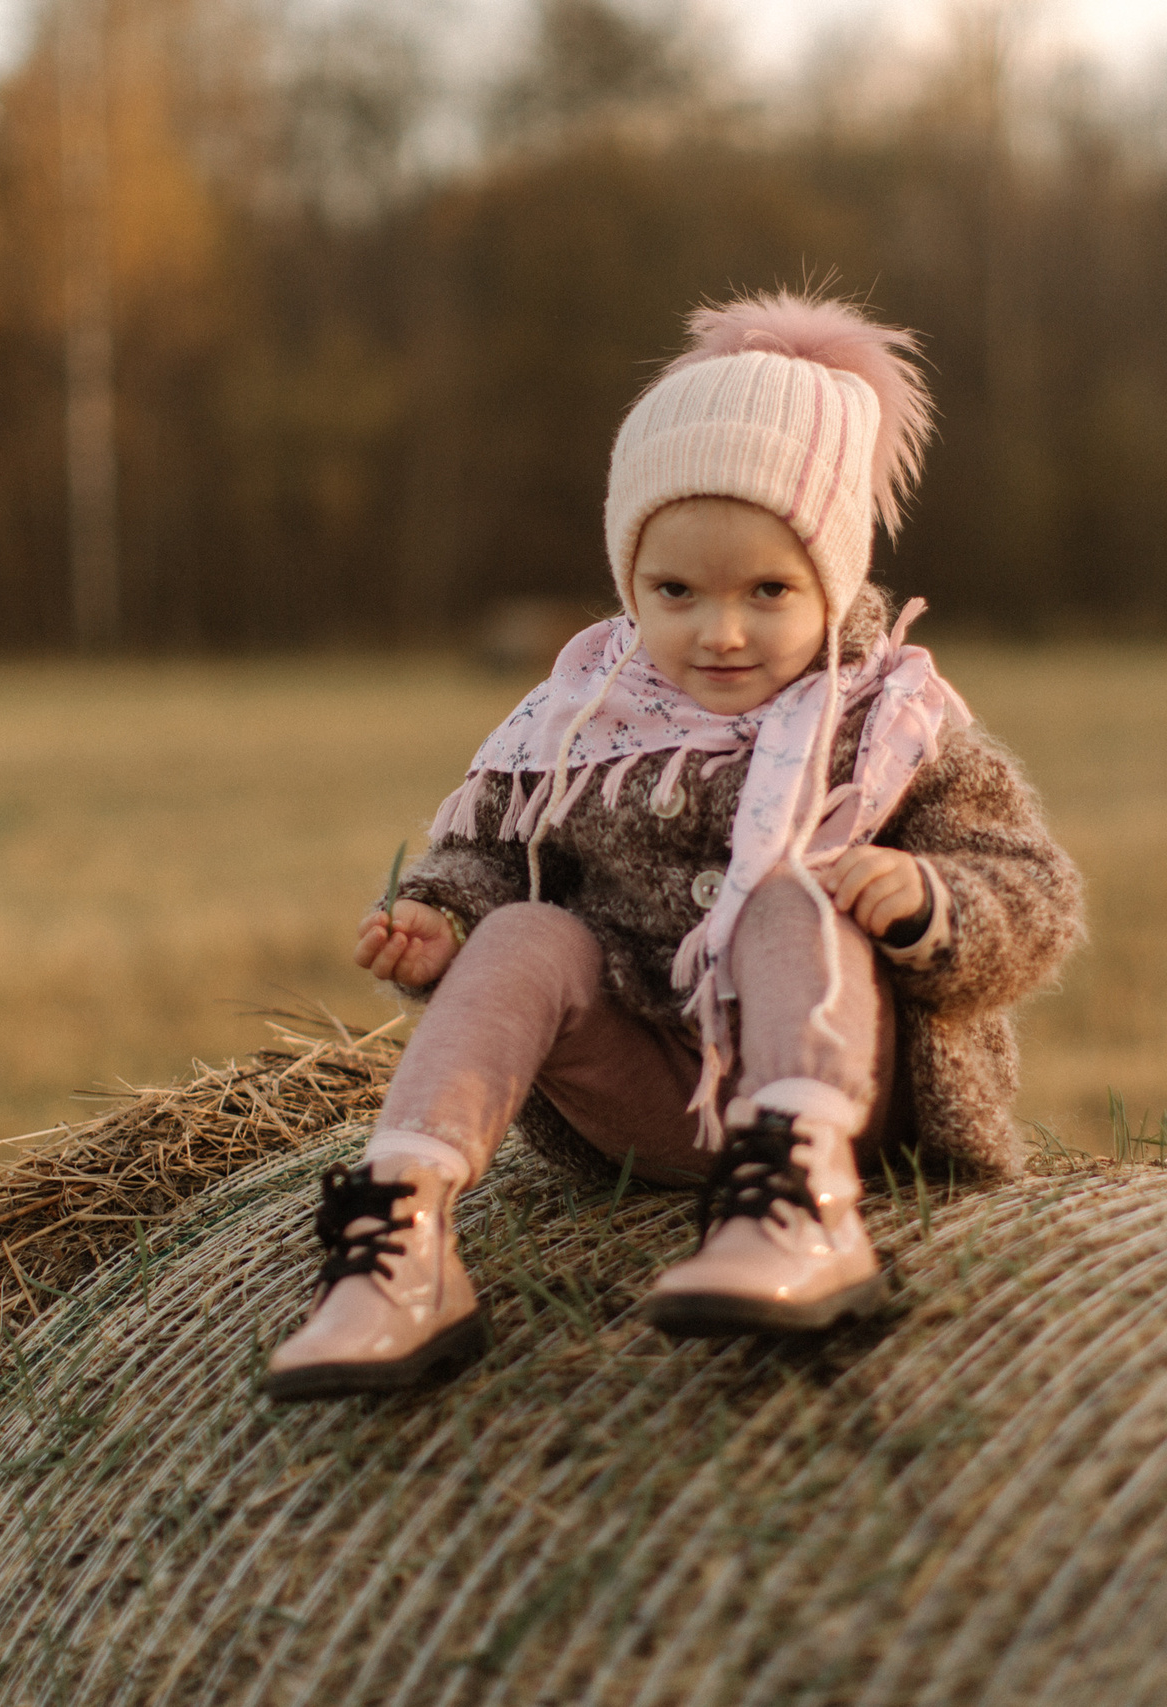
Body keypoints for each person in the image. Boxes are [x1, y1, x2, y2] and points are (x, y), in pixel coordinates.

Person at [262, 292, 1083, 1402]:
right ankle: (402, 1233)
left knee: (792, 895)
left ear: (833, 577)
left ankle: (800, 1207)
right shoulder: (582, 715)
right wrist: (437, 920)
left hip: (859, 1094)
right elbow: (498, 855)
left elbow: (1036, 896)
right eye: (676, 592)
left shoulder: (891, 724)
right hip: (649, 1102)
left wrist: (930, 900)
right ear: (626, 583)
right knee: (523, 929)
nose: (721, 630)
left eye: (768, 591)